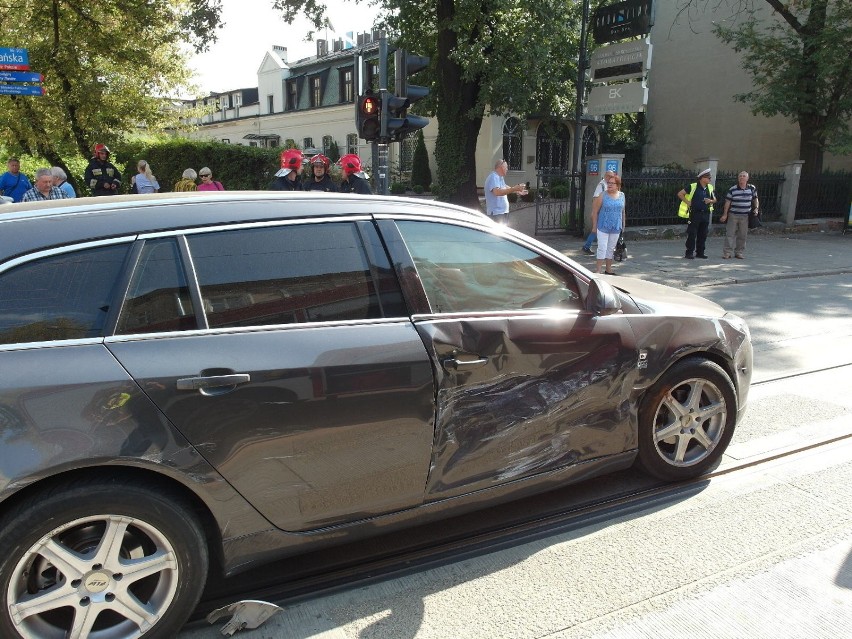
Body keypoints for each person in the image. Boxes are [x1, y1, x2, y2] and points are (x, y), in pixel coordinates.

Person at [590, 173, 626, 274]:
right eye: (608, 183)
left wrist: (623, 226)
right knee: (602, 247)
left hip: (616, 226)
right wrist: (594, 226)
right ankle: (598, 270)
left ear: (618, 185)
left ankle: (608, 269)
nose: (609, 185)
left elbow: (623, 212)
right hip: (603, 226)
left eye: (612, 183)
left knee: (611, 248)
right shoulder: (603, 195)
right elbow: (595, 211)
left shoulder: (622, 195)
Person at [677, 168, 716, 259]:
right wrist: (687, 202)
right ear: (702, 178)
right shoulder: (693, 186)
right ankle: (689, 253)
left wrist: (710, 200)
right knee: (692, 233)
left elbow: (715, 199)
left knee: (703, 234)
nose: (710, 179)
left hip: (705, 214)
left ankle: (700, 252)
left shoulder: (710, 187)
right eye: (709, 178)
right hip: (695, 214)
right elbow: (680, 194)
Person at [720, 171, 759, 259]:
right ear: (738, 178)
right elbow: (727, 202)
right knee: (730, 234)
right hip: (733, 215)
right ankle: (727, 252)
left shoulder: (752, 188)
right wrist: (725, 214)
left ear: (747, 178)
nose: (742, 177)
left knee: (742, 235)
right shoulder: (733, 189)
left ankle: (739, 252)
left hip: (745, 215)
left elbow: (755, 199)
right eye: (740, 176)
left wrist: (756, 208)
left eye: (744, 176)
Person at [583, 170, 617, 254]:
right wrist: (594, 212)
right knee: (596, 230)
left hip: (605, 212)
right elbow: (595, 198)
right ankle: (587, 246)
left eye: (612, 176)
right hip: (600, 211)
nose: (611, 178)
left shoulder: (607, 185)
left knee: (598, 230)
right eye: (610, 176)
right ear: (606, 176)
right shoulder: (601, 185)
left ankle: (589, 246)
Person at [484, 159, 527, 224]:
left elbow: (505, 187)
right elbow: (497, 192)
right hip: (496, 214)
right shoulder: (494, 177)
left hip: (501, 213)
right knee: (498, 234)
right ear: (501, 167)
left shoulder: (499, 177)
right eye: (506, 167)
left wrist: (518, 191)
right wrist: (514, 189)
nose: (507, 169)